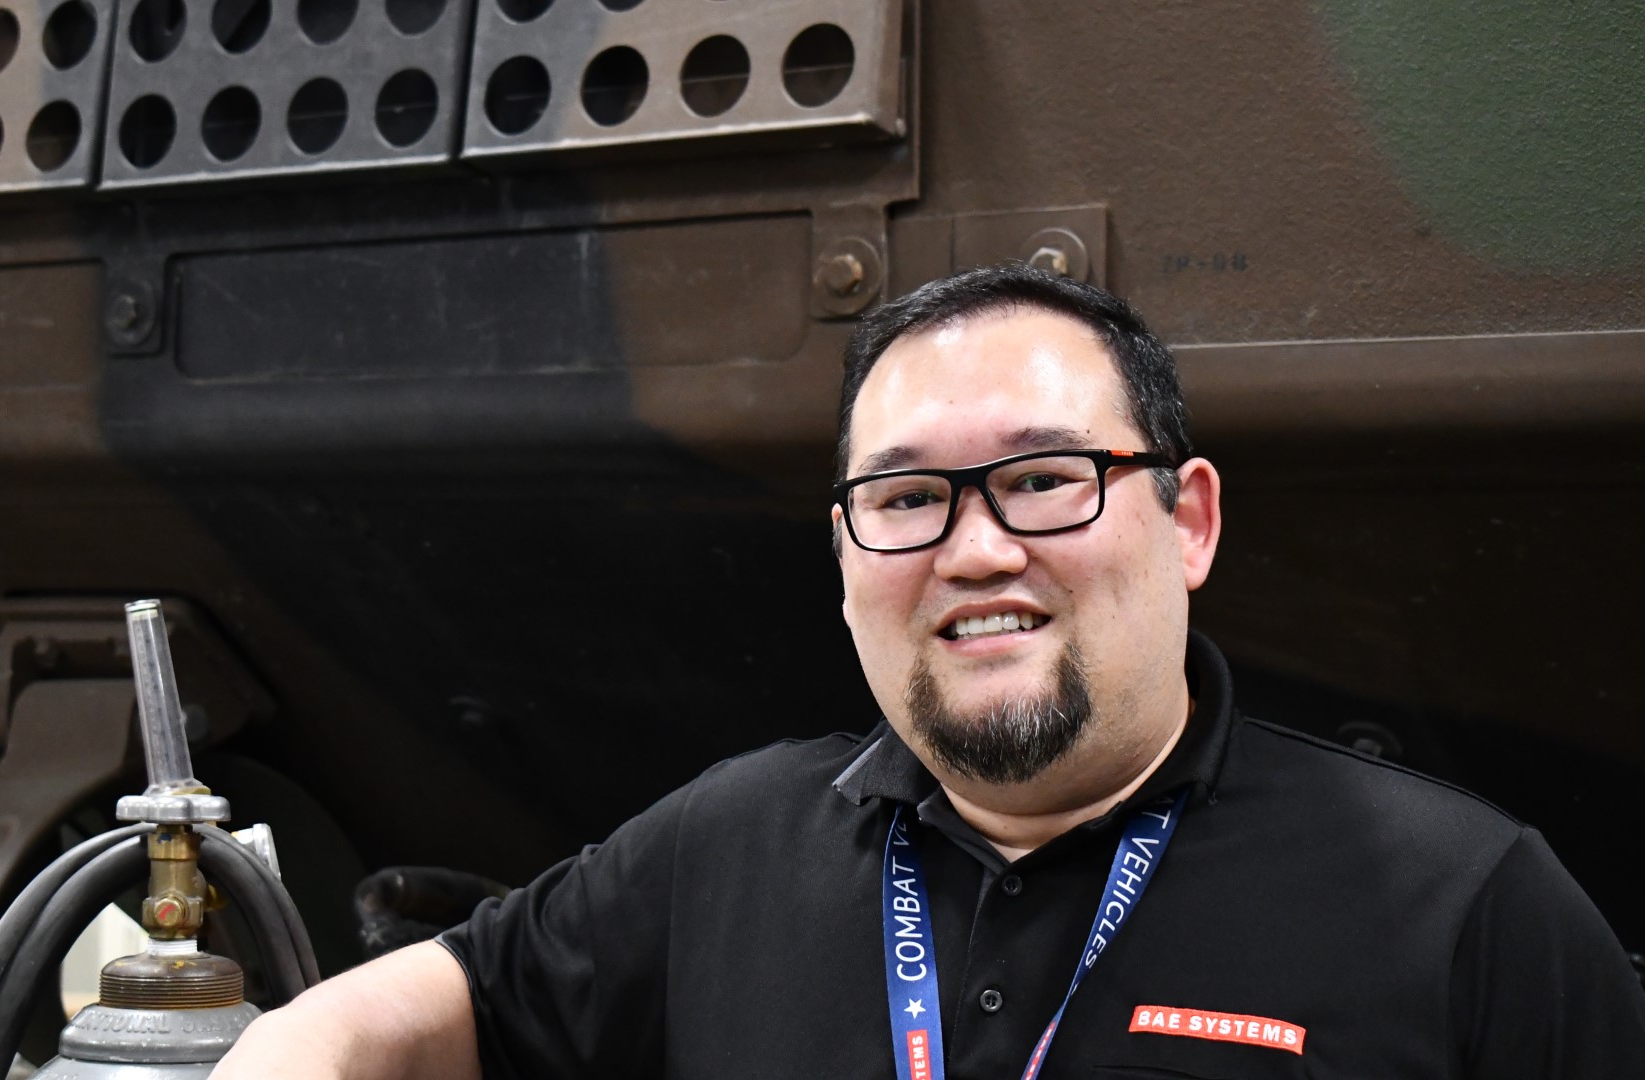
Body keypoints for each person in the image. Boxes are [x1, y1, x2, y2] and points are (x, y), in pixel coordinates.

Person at [212, 264, 1645, 1079]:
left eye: (1043, 479)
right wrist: (288, 1056)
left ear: (1188, 518)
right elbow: (453, 999)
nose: (973, 551)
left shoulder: (1465, 908)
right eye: (906, 500)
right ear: (846, 561)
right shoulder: (724, 850)